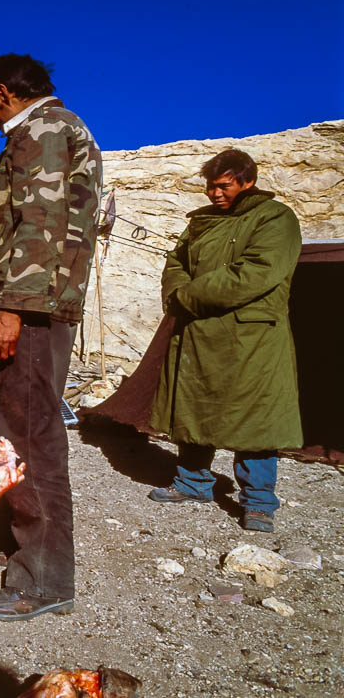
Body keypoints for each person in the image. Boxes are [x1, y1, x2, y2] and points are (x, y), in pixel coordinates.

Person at [0, 53, 102, 622]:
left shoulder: (42, 129)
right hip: (46, 306)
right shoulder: (67, 128)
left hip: (33, 309)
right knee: (32, 427)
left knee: (28, 436)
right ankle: (38, 558)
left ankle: (42, 581)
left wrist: (12, 309)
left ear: (4, 92)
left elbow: (39, 221)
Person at [148, 148, 302, 533]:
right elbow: (176, 262)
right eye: (210, 186)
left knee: (255, 418)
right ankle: (193, 483)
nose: (215, 194)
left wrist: (189, 297)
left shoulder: (274, 218)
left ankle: (259, 502)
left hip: (251, 338)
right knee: (194, 408)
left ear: (248, 180)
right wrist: (177, 292)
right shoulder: (202, 224)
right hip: (199, 333)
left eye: (224, 186)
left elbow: (256, 272)